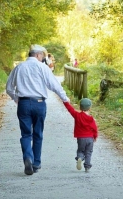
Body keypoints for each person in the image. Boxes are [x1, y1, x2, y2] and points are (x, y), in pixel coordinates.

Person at [6, 44, 70, 175]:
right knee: (38, 133)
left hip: (23, 103)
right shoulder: (42, 67)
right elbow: (54, 85)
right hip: (39, 103)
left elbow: (9, 88)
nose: (43, 58)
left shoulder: (19, 67)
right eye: (43, 56)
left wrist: (16, 98)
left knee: (25, 134)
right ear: (38, 55)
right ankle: (36, 163)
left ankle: (28, 157)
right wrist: (65, 99)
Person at [63, 98, 98, 172]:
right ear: (89, 108)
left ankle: (80, 158)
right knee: (88, 152)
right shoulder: (91, 119)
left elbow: (70, 109)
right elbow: (94, 129)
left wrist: (65, 102)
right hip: (90, 138)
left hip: (81, 138)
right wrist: (95, 137)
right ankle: (87, 167)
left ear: (80, 107)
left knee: (80, 151)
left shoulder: (77, 115)